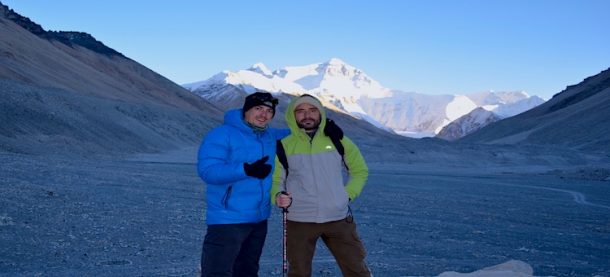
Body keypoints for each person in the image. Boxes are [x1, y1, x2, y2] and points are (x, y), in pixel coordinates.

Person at [272, 94, 371, 277]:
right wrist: (278, 195)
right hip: (299, 219)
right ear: (293, 116)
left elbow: (360, 170)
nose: (307, 115)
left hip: (338, 217)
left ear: (321, 113)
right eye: (300, 111)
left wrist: (346, 195)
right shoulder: (284, 146)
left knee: (356, 269)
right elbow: (277, 179)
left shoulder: (338, 140)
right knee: (298, 272)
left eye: (312, 110)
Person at [197, 92, 289, 277]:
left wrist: (322, 128)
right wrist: (245, 170)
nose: (263, 114)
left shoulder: (269, 135)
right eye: (258, 108)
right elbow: (208, 171)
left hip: (259, 219)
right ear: (246, 110)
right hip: (228, 219)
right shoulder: (222, 134)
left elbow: (296, 133)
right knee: (217, 272)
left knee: (247, 271)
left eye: (269, 110)